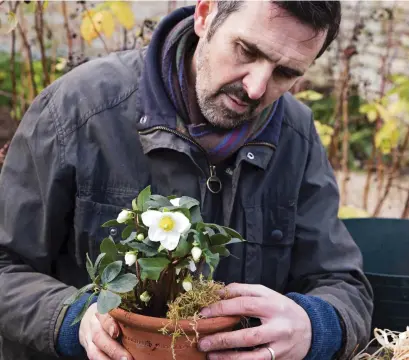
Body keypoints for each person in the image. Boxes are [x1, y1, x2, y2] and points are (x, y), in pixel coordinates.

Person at [0, 1, 373, 359]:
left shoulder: (296, 135)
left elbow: (343, 284)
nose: (257, 88)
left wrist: (314, 325)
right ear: (205, 14)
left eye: (285, 73)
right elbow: (6, 265)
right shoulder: (78, 110)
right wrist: (73, 321)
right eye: (246, 50)